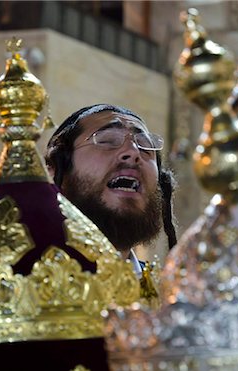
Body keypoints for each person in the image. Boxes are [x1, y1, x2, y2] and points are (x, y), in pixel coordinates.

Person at [45, 104, 177, 274]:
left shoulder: (168, 292)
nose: (133, 152)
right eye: (108, 140)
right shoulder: (17, 278)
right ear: (57, 169)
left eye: (145, 145)